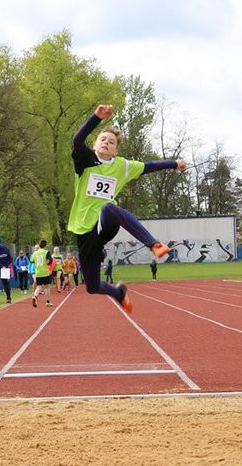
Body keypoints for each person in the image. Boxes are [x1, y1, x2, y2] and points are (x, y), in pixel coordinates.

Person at [68, 104, 186, 313]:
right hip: (83, 228)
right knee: (92, 286)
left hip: (105, 223)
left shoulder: (123, 166)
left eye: (111, 142)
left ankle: (154, 244)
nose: (106, 143)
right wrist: (96, 117)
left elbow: (149, 166)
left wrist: (174, 163)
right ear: (95, 144)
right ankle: (118, 293)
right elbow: (77, 140)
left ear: (116, 149)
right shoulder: (85, 160)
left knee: (109, 207)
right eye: (103, 139)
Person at [30, 239, 53, 308]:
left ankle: (35, 296)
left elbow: (32, 261)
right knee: (47, 287)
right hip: (45, 272)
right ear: (45, 245)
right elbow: (51, 261)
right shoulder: (46, 252)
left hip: (38, 272)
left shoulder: (35, 253)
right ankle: (48, 302)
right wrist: (47, 263)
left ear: (39, 245)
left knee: (39, 287)